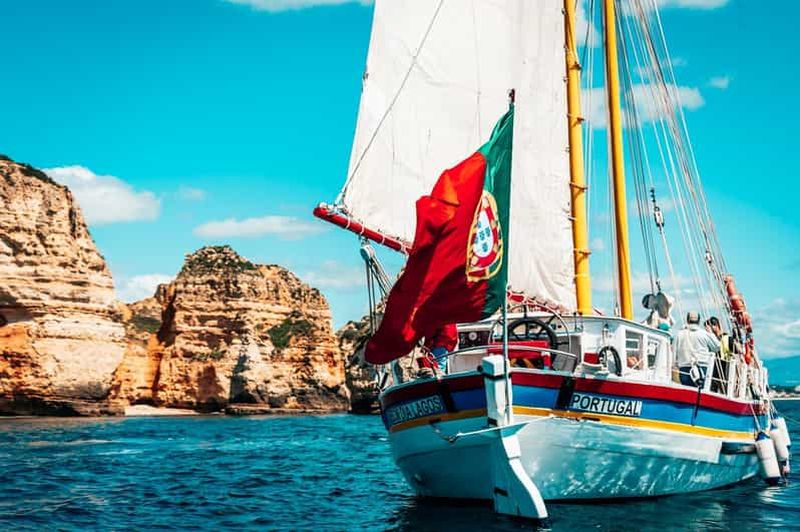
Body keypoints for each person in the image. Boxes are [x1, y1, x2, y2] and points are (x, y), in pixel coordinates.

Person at [674, 312, 720, 387]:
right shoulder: (704, 334)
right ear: (698, 321)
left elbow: (674, 352)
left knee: (687, 391)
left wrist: (675, 364)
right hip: (702, 367)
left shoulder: (679, 334)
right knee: (700, 392)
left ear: (687, 320)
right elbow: (717, 347)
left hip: (684, 367)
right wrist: (711, 333)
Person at [705, 316, 732, 394]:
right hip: (712, 370)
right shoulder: (710, 339)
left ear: (715, 326)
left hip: (722, 370)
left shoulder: (725, 338)